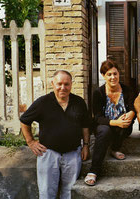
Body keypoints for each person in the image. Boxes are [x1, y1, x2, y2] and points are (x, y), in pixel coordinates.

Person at [20, 70, 90, 199]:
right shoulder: (43, 102)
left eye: (66, 84)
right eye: (59, 84)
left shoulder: (79, 102)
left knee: (69, 193)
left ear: (71, 85)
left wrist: (85, 145)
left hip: (73, 154)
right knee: (47, 193)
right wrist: (31, 142)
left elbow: (85, 125)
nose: (63, 87)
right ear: (53, 84)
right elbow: (24, 121)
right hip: (48, 154)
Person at [84, 60, 136, 186]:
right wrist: (115, 122)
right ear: (103, 76)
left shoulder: (127, 90)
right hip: (105, 126)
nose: (113, 77)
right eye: (109, 74)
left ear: (119, 74)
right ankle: (94, 171)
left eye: (115, 74)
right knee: (104, 130)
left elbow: (136, 107)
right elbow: (97, 118)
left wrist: (132, 113)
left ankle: (114, 148)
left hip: (122, 128)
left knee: (125, 124)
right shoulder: (98, 93)